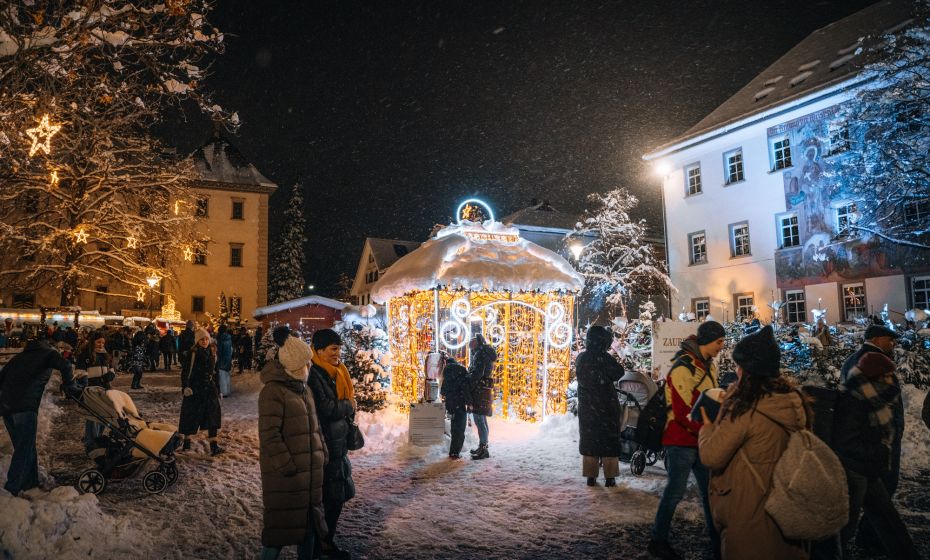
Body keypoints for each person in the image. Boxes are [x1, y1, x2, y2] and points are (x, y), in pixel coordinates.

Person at [698, 325, 809, 559]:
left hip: (750, 511)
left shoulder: (746, 408)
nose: (736, 371)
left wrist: (707, 428)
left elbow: (712, 455)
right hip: (788, 509)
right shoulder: (793, 401)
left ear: (749, 370)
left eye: (739, 366)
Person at [648, 320, 724, 560]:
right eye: (719, 341)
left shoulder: (710, 367)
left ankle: (718, 544)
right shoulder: (683, 368)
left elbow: (709, 402)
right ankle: (658, 540)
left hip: (701, 440)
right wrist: (707, 429)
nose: (721, 346)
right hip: (680, 441)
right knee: (675, 492)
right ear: (707, 341)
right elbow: (682, 412)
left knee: (709, 494)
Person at [834, 352, 920, 559]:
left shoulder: (873, 397)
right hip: (854, 471)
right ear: (876, 375)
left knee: (887, 518)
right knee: (845, 526)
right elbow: (846, 442)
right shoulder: (853, 399)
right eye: (887, 375)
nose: (891, 379)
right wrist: (880, 450)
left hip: (867, 469)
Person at [259, 326, 328, 560]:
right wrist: (287, 466)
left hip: (310, 474)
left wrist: (322, 452)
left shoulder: (304, 389)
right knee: (279, 531)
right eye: (307, 363)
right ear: (296, 366)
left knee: (309, 529)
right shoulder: (273, 392)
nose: (310, 366)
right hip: (288, 477)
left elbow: (315, 426)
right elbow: (269, 436)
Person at [839, 324, 903, 554]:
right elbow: (865, 404)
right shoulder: (869, 360)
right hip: (871, 444)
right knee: (878, 492)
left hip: (869, 444)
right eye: (889, 339)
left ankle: (866, 539)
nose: (893, 344)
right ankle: (861, 540)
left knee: (873, 497)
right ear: (876, 339)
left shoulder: (860, 359)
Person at [0, 338, 78, 495]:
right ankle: (12, 488)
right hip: (25, 408)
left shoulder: (18, 357)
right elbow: (66, 365)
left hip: (6, 409)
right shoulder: (48, 353)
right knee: (24, 449)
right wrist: (70, 386)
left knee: (25, 446)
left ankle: (31, 483)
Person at [308, 328, 355, 560]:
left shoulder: (337, 371)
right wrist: (348, 405)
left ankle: (324, 543)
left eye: (339, 349)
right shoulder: (315, 374)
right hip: (326, 445)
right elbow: (325, 408)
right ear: (319, 351)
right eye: (333, 349)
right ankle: (322, 546)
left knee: (336, 497)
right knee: (330, 499)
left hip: (337, 443)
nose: (337, 354)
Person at [575, 325, 624, 487]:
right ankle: (610, 477)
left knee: (590, 441)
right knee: (609, 441)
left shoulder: (582, 358)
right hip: (606, 407)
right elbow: (619, 372)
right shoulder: (604, 358)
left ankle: (591, 476)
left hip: (587, 408)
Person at [179, 328, 224, 455]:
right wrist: (185, 387)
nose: (204, 341)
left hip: (210, 389)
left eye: (206, 339)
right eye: (202, 339)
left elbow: (215, 373)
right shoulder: (192, 354)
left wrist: (218, 389)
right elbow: (185, 372)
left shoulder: (212, 353)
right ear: (197, 341)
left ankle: (214, 446)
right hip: (195, 389)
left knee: (212, 416)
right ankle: (186, 442)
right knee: (191, 415)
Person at [78, 332, 116, 452]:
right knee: (93, 417)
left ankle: (97, 439)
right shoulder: (85, 355)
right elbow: (80, 373)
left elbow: (111, 369)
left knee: (104, 416)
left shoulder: (105, 355)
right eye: (98, 342)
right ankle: (90, 442)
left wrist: (111, 374)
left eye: (103, 342)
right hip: (92, 391)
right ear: (92, 342)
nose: (101, 344)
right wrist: (95, 381)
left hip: (105, 390)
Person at [467, 333, 497, 460]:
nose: (470, 346)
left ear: (477, 343)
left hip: (479, 389)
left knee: (479, 419)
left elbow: (477, 373)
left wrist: (470, 384)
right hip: (484, 389)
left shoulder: (480, 354)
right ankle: (483, 446)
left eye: (472, 343)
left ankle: (483, 449)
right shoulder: (485, 352)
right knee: (482, 419)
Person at [440, 355, 470, 459]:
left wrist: (450, 392)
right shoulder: (462, 371)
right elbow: (466, 388)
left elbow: (443, 391)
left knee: (454, 428)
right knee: (460, 428)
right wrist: (469, 402)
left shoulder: (446, 372)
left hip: (451, 404)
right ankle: (456, 452)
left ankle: (453, 452)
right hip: (460, 403)